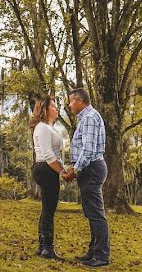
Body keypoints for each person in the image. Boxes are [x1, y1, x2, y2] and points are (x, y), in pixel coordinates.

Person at [63, 87, 110, 268]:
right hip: (90, 168)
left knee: (96, 214)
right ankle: (93, 252)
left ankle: (102, 256)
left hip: (92, 168)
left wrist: (74, 170)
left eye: (71, 101)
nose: (69, 105)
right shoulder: (87, 118)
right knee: (91, 213)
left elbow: (88, 150)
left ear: (80, 100)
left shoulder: (89, 118)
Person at [30, 94, 65, 260]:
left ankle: (42, 246)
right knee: (49, 210)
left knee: (46, 209)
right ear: (45, 109)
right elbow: (48, 154)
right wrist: (62, 172)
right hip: (45, 168)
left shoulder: (49, 127)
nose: (56, 108)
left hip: (47, 169)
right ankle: (48, 249)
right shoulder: (42, 127)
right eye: (53, 106)